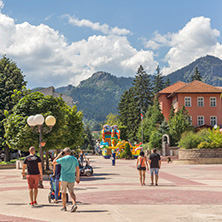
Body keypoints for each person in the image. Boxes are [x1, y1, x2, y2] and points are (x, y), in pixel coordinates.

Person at [53, 147, 80, 212]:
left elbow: (54, 162)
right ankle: (74, 204)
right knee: (71, 192)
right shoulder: (74, 159)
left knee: (63, 193)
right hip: (71, 177)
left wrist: (59, 155)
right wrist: (77, 178)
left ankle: (64, 207)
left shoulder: (62, 159)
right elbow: (77, 169)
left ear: (64, 152)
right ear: (70, 152)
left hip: (64, 178)